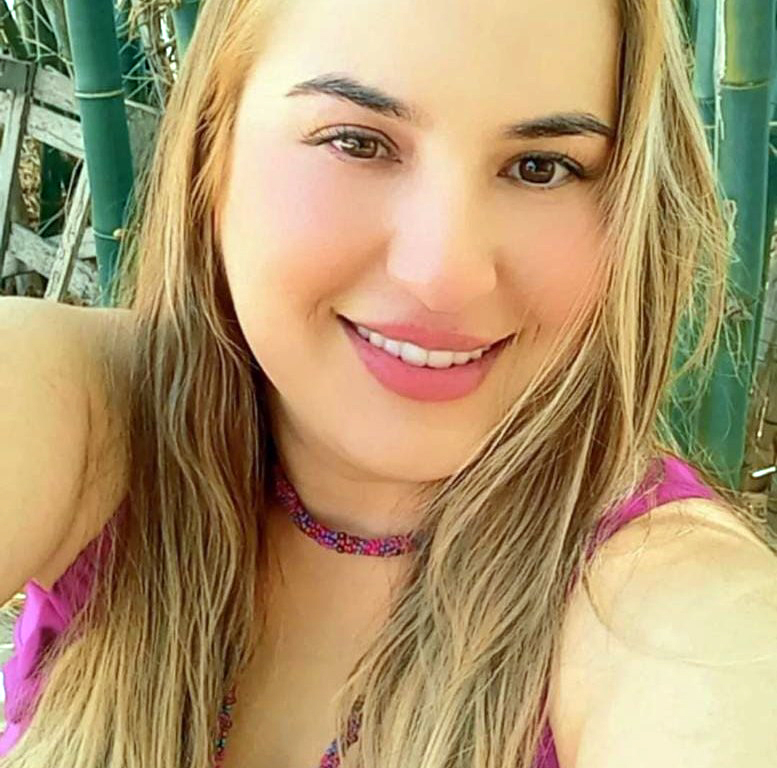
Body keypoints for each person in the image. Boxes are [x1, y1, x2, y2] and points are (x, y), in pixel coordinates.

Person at [1, 0, 776, 766]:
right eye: (357, 142)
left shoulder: (673, 615)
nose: (443, 275)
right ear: (213, 147)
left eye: (540, 167)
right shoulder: (86, 421)